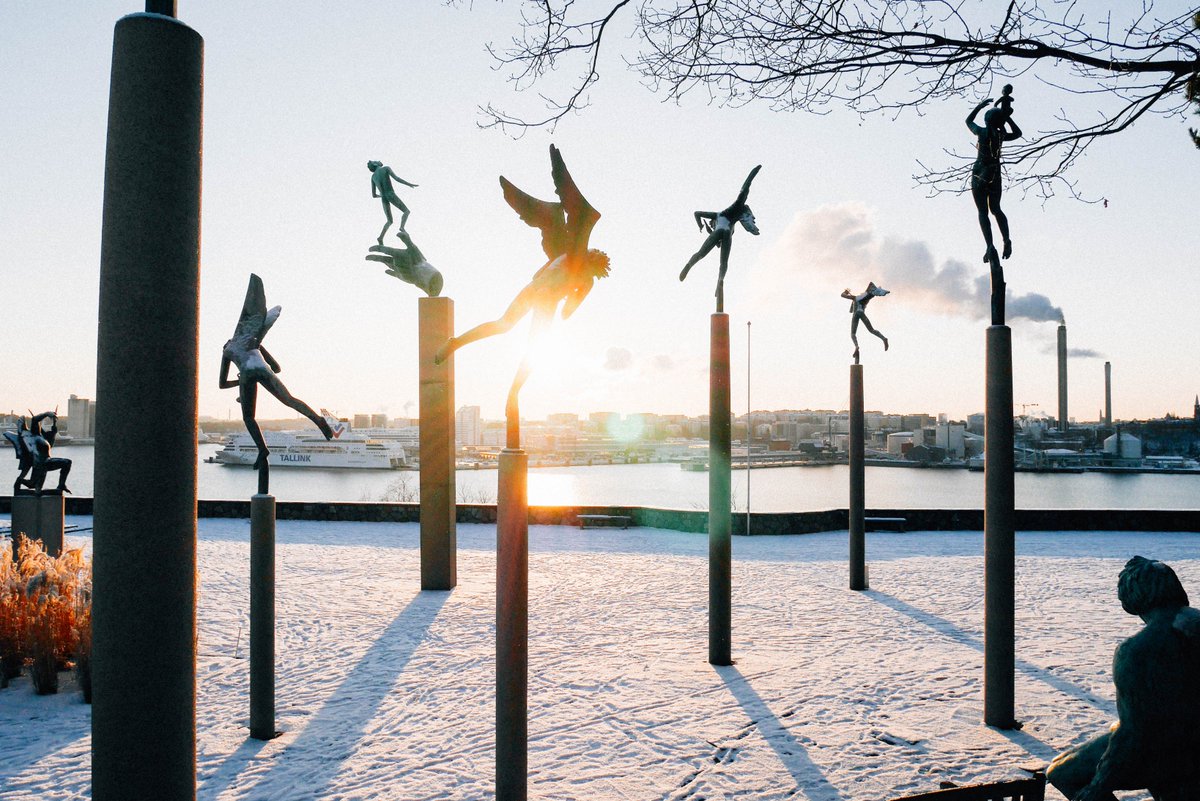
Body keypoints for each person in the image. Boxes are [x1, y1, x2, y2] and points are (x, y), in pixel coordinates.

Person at [434, 145, 608, 435]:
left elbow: (567, 307)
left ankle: (458, 345)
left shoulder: (573, 259)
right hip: (543, 300)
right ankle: (512, 393)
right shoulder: (580, 263)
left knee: (505, 328)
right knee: (530, 348)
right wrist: (575, 295)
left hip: (533, 292)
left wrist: (572, 295)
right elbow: (568, 312)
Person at [1046, 556, 1200, 801]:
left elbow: (1134, 733)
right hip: (1185, 736)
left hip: (1173, 748)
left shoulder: (1137, 650)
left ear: (1131, 598)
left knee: (1062, 772)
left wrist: (1097, 786)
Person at [220, 274, 332, 471]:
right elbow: (277, 368)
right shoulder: (254, 343)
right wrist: (262, 362)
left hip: (246, 373)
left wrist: (240, 383)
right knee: (289, 400)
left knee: (248, 417)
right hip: (263, 369)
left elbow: (222, 384)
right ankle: (318, 420)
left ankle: (262, 450)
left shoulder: (228, 351)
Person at [680, 165, 762, 312]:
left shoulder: (720, 214)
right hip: (726, 236)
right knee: (723, 262)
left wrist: (699, 225)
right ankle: (720, 281)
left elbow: (697, 213)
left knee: (700, 254)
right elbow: (697, 213)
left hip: (719, 233)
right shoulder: (729, 214)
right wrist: (752, 174)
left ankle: (688, 266)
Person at [967, 86, 1022, 265]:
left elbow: (968, 120)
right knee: (996, 209)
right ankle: (1006, 240)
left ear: (986, 119)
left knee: (983, 211)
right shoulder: (1000, 136)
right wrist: (1008, 118)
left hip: (978, 172)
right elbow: (1018, 134)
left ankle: (990, 245)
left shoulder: (981, 132)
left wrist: (979, 106)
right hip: (994, 172)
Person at [368, 160, 418, 244]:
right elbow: (397, 179)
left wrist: (381, 195)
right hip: (390, 194)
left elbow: (373, 195)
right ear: (375, 164)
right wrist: (409, 184)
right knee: (406, 211)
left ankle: (380, 237)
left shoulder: (373, 177)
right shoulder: (386, 168)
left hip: (383, 198)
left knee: (389, 221)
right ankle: (402, 227)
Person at [840, 283, 889, 362]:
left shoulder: (855, 298)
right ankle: (884, 338)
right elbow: (869, 295)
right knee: (871, 330)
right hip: (862, 313)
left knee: (853, 334)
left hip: (856, 314)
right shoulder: (865, 300)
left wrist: (846, 292)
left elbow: (842, 295)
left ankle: (856, 346)